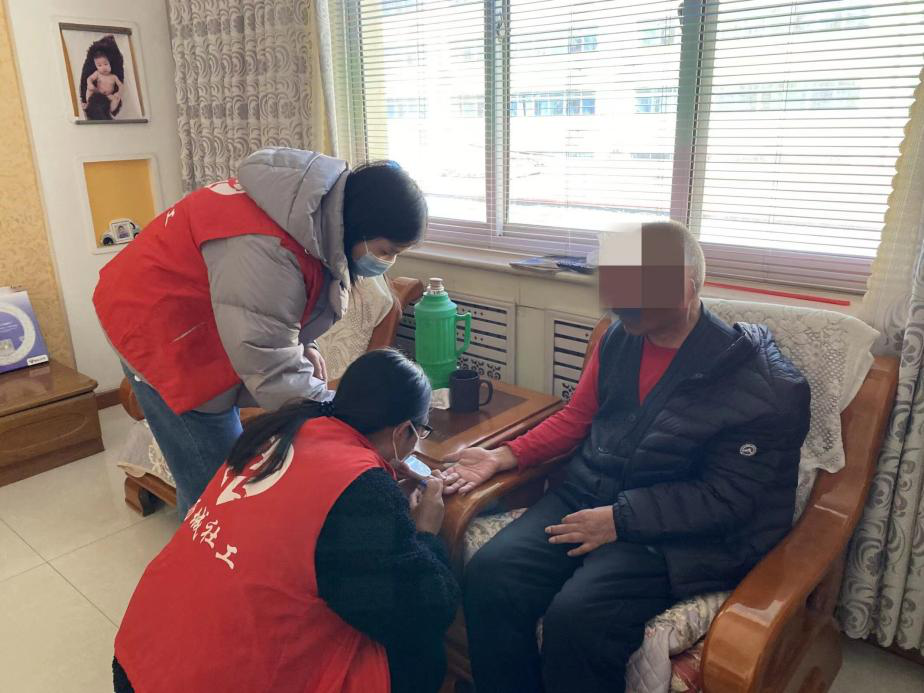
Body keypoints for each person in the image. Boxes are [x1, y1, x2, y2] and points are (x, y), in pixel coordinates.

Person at [443, 220, 811, 693]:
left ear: (687, 286)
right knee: (493, 576)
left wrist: (621, 520)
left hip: (671, 532)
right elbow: (577, 418)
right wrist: (506, 456)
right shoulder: (618, 339)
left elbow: (728, 497)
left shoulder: (759, 383)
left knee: (578, 618)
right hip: (589, 494)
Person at [93, 148, 428, 518]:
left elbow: (282, 306)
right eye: (385, 250)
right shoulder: (265, 246)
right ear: (360, 223)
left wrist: (303, 343)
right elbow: (269, 362)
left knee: (226, 478)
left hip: (195, 317)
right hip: (154, 330)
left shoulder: (313, 213)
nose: (386, 262)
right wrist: (344, 419)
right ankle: (204, 548)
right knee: (216, 488)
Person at [113, 349, 460, 693]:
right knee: (421, 653)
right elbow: (429, 608)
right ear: (403, 432)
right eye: (421, 432)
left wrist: (383, 508)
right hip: (198, 678)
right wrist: (425, 530)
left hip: (141, 653)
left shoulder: (282, 431)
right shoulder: (359, 490)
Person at [79, 36, 124, 118]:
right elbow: (89, 78)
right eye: (99, 65)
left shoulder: (114, 76)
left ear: (110, 63)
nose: (103, 68)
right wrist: (90, 84)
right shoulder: (97, 73)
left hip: (109, 95)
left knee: (116, 99)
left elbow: (120, 85)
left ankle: (110, 110)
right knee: (89, 89)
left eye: (106, 64)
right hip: (97, 91)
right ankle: (88, 104)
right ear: (96, 66)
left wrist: (119, 93)